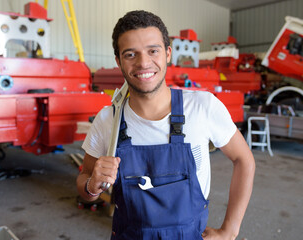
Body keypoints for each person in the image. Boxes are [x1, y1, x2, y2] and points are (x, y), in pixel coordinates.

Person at [77, 10, 255, 240]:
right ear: (118, 60)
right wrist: (92, 186)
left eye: (153, 51)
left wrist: (230, 231)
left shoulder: (203, 107)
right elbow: (84, 183)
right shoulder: (107, 120)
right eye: (131, 54)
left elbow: (244, 160)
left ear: (168, 53)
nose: (143, 63)